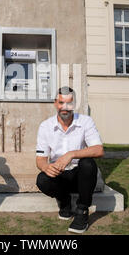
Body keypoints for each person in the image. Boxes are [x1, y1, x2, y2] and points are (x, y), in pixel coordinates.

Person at [35, 86, 104, 234]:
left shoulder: (86, 121)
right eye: (61, 102)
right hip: (60, 175)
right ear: (55, 103)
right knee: (42, 179)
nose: (64, 107)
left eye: (69, 103)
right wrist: (46, 167)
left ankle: (82, 211)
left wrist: (71, 154)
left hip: (81, 178)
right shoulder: (45, 126)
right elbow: (40, 159)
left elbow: (99, 150)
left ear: (75, 104)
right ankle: (64, 201)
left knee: (88, 163)